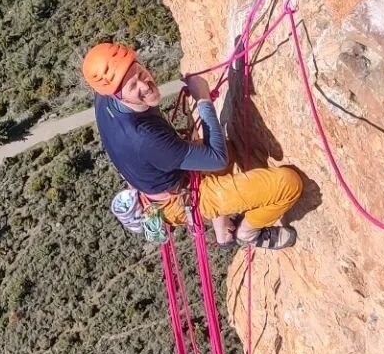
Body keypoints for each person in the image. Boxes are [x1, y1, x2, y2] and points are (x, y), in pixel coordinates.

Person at [83, 40, 302, 249]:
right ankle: (248, 233)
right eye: (133, 86)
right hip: (177, 198)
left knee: (229, 147)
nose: (145, 85)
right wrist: (203, 99)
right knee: (288, 184)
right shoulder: (145, 139)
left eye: (141, 73)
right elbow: (217, 159)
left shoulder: (105, 96)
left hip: (161, 178)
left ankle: (222, 229)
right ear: (118, 95)